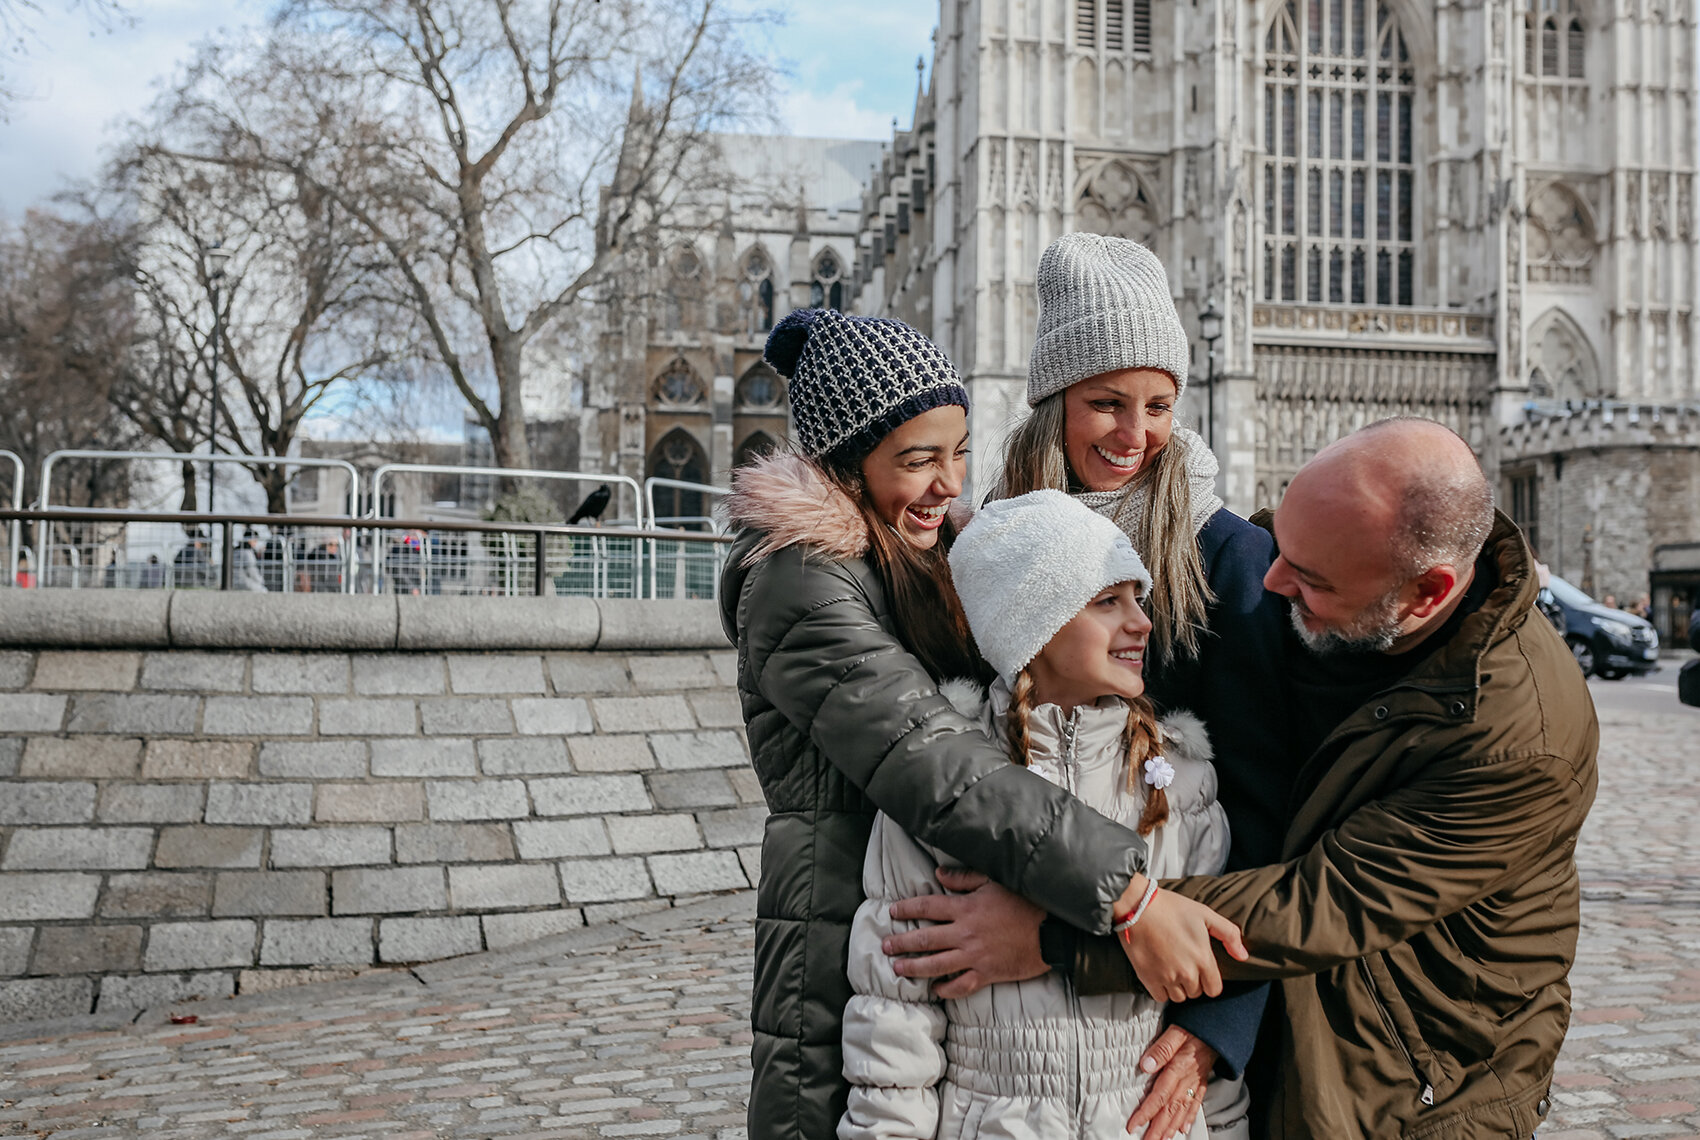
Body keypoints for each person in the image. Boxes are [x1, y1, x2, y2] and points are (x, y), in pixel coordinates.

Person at [719, 307, 1244, 1140]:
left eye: (960, 452)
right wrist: (1133, 895)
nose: (951, 483)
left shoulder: (909, 556)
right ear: (848, 465)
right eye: (919, 459)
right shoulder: (802, 587)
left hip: (924, 935)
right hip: (847, 943)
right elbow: (938, 768)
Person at [895, 232, 1292, 1126]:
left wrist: (1213, 1027)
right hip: (1004, 1045)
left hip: (1160, 1007)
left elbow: (1269, 818)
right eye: (1106, 402)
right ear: (1053, 401)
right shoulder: (994, 546)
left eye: (1159, 404)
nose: (1135, 434)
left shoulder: (1228, 560)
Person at [1145, 418, 1598, 1137]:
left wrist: (1079, 926)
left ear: (1427, 593)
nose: (1269, 580)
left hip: (1421, 1089)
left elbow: (1319, 904)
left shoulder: (1516, 735)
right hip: (1282, 1033)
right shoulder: (1315, 566)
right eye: (1279, 545)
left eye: (1309, 578)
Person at [841, 490, 1245, 1140]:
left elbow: (1209, 979)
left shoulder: (1181, 779)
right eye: (1108, 601)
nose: (1141, 622)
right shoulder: (945, 776)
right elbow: (895, 1011)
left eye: (1137, 599)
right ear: (1034, 621)